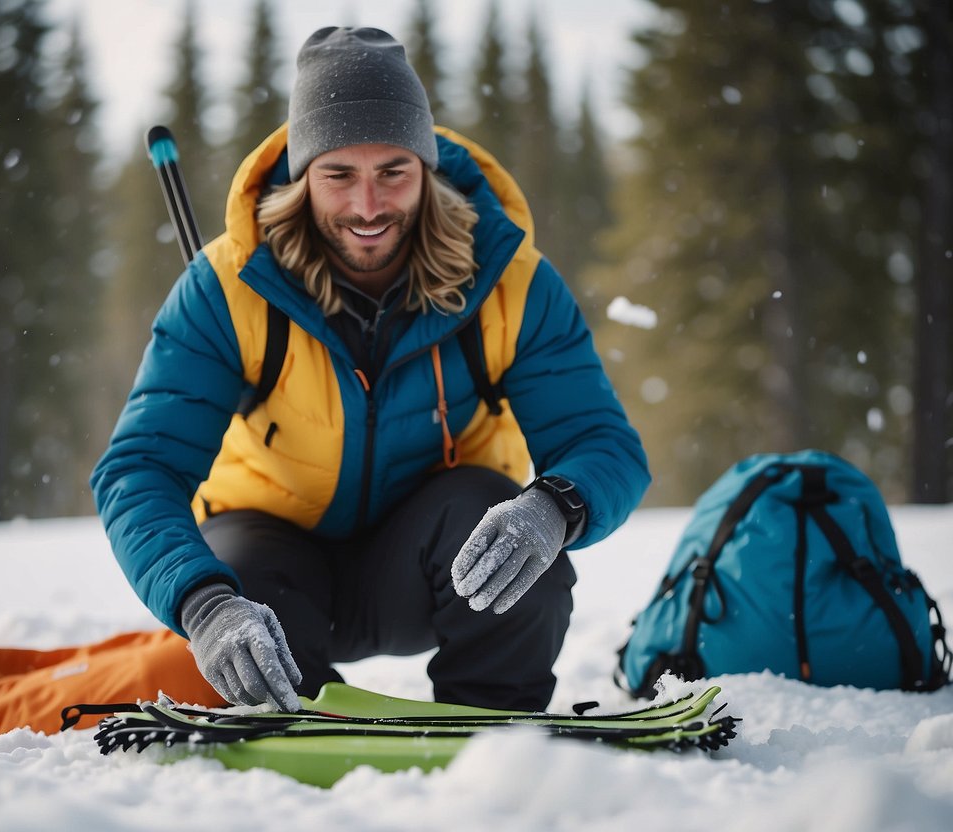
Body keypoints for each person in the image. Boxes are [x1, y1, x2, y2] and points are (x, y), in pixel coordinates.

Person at [92, 26, 649, 714]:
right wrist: (202, 602)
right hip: (274, 574)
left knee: (507, 528)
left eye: (393, 171)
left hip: (440, 563)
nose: (367, 207)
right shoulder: (224, 288)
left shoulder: (510, 280)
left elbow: (603, 443)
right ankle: (284, 714)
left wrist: (552, 508)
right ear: (302, 176)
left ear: (426, 166)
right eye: (337, 175)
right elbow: (138, 467)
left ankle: (493, 719)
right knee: (236, 565)